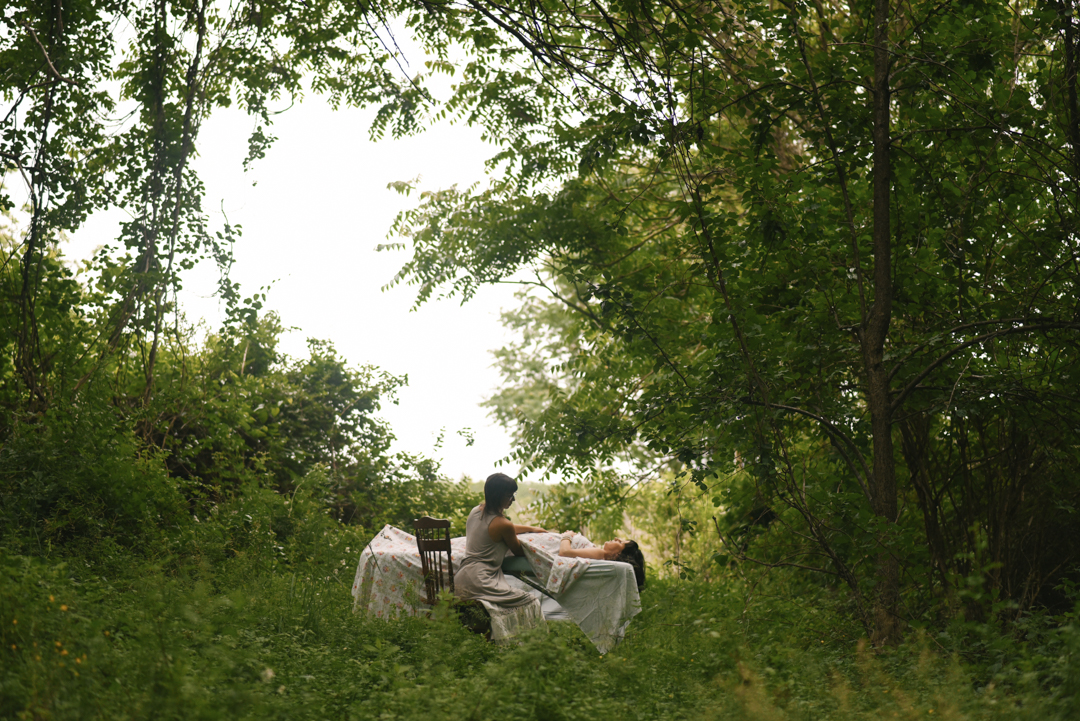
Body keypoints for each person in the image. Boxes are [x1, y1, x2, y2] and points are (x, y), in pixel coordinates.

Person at [455, 473, 548, 630]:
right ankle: (529, 639)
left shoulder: (476, 511)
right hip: (481, 580)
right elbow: (518, 550)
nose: (513, 500)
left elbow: (500, 528)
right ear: (498, 496)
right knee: (531, 601)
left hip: (462, 578)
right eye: (510, 495)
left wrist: (531, 528)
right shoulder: (503, 524)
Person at [558, 531, 647, 590]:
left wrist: (567, 535)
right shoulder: (600, 556)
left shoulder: (601, 554)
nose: (616, 538)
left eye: (620, 542)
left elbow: (565, 552)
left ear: (618, 554)